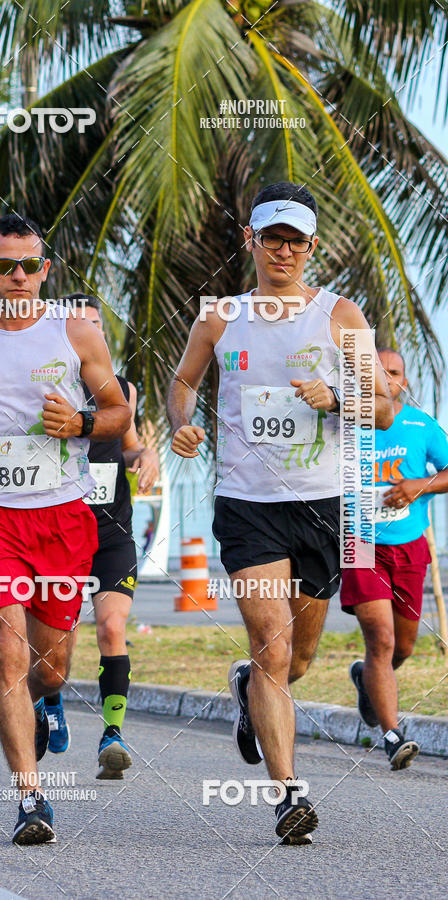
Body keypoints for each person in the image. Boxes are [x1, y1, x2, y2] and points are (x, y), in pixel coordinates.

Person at [167, 181, 393, 844]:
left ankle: (249, 690)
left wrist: (338, 396)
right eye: (273, 238)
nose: (284, 251)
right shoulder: (220, 317)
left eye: (296, 241)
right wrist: (182, 424)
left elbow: (384, 409)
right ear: (251, 241)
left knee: (300, 656)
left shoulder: (340, 317)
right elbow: (183, 382)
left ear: (312, 246)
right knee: (273, 645)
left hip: (322, 504)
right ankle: (288, 794)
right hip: (248, 504)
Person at [0, 215, 130, 845]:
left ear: (45, 270)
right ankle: (30, 798)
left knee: (50, 668)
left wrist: (80, 424)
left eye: (29, 265)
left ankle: (43, 702)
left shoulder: (75, 331)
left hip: (61, 517)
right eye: (5, 266)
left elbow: (118, 412)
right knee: (7, 646)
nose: (18, 276)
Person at [34, 293, 160, 780]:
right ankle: (51, 702)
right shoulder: (42, 385)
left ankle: (113, 734)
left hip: (111, 532)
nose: (86, 332)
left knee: (111, 627)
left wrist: (145, 456)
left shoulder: (122, 390)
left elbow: (128, 447)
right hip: (61, 532)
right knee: (55, 648)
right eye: (77, 324)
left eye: (94, 325)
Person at [342, 348, 448, 769]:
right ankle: (391, 735)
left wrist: (419, 485)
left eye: (394, 372)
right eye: (377, 371)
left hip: (409, 546)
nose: (385, 378)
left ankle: (365, 679)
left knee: (402, 646)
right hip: (359, 543)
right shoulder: (343, 424)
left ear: (404, 382)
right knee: (381, 638)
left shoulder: (421, 425)